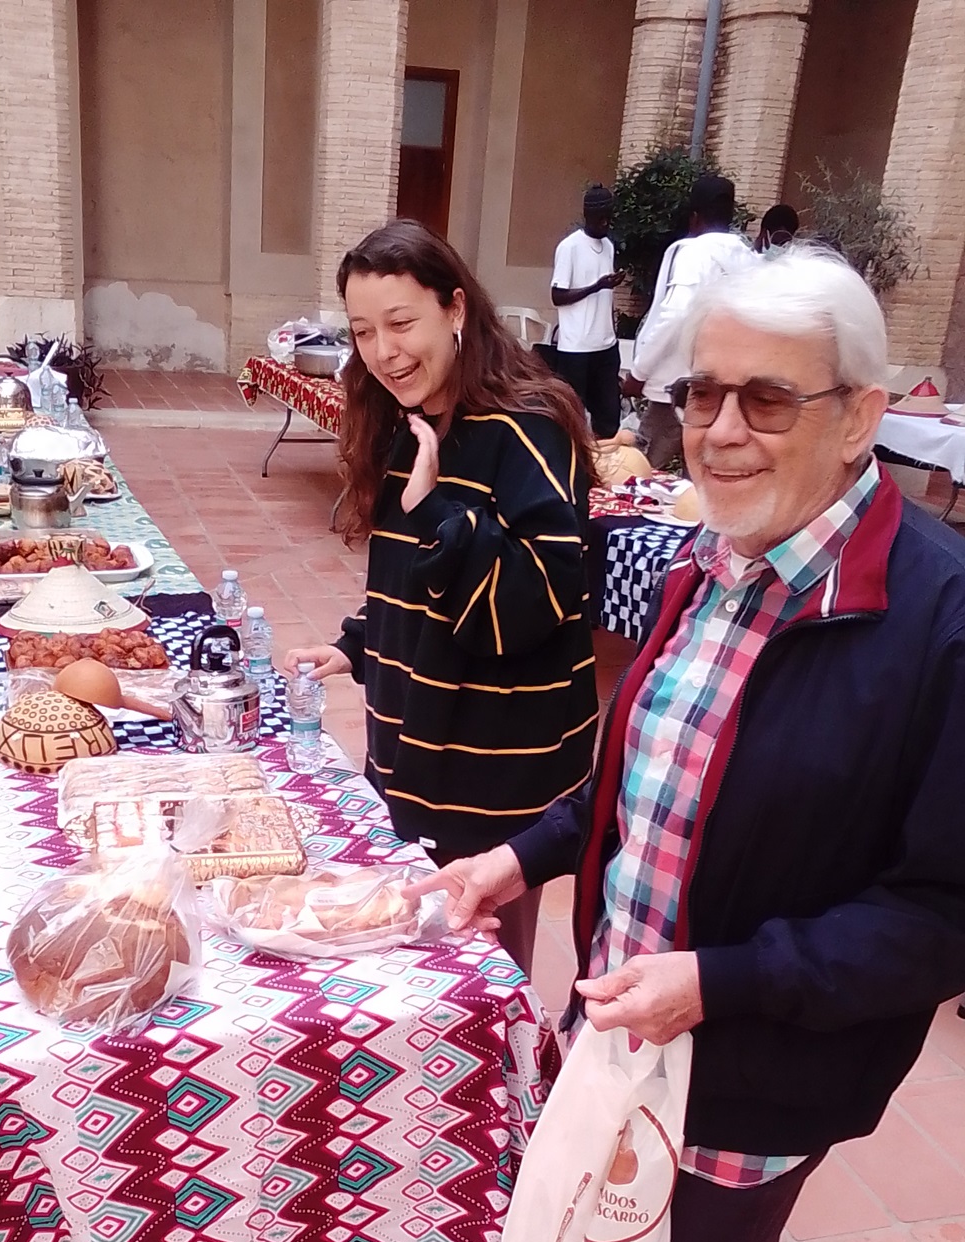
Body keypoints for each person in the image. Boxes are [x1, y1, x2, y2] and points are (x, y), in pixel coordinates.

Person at [412, 245, 965, 1242]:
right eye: (701, 393)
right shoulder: (710, 563)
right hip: (629, 1022)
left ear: (863, 415)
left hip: (754, 1063)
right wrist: (519, 856)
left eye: (767, 400)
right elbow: (640, 773)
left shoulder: (942, 624)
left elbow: (937, 919)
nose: (719, 431)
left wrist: (717, 984)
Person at [282, 219, 599, 976]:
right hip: (413, 744)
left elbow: (533, 603)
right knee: (408, 957)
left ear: (455, 308)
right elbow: (409, 575)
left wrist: (437, 513)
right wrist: (357, 643)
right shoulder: (411, 419)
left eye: (401, 323)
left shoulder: (529, 428)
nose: (383, 352)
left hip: (495, 767)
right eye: (363, 332)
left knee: (482, 971)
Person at [624, 172, 753, 469]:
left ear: (694, 218)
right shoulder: (747, 258)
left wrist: (639, 372)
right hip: (724, 386)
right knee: (706, 471)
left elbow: (676, 313)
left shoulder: (694, 254)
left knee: (638, 470)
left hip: (678, 387)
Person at [545, 184, 625, 439]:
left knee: (609, 419)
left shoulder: (608, 246)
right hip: (576, 349)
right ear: (588, 215)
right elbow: (557, 296)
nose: (605, 223)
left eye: (608, 217)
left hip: (606, 345)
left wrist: (609, 284)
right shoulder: (569, 247)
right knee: (571, 419)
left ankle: (603, 458)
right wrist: (596, 286)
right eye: (600, 218)